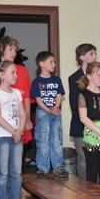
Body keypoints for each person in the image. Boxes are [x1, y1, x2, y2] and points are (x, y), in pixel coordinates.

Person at [0, 61, 32, 199]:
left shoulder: (16, 93)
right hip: (3, 137)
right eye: (12, 72)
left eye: (16, 72)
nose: (16, 75)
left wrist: (20, 130)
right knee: (3, 172)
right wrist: (13, 131)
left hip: (17, 136)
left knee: (16, 173)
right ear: (2, 75)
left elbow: (22, 113)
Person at [68, 43, 100, 180]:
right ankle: (84, 188)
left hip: (98, 123)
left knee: (98, 158)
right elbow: (74, 104)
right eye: (91, 53)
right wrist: (86, 121)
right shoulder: (74, 78)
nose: (95, 56)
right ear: (82, 57)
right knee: (83, 158)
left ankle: (98, 187)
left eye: (95, 53)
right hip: (81, 124)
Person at [30, 51, 67, 179]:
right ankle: (42, 168)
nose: (54, 64)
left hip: (55, 112)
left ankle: (58, 166)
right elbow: (38, 99)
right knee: (43, 140)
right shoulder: (37, 81)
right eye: (51, 62)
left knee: (56, 140)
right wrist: (48, 110)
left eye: (54, 62)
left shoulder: (57, 80)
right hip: (43, 113)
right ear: (41, 64)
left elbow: (59, 95)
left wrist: (56, 107)